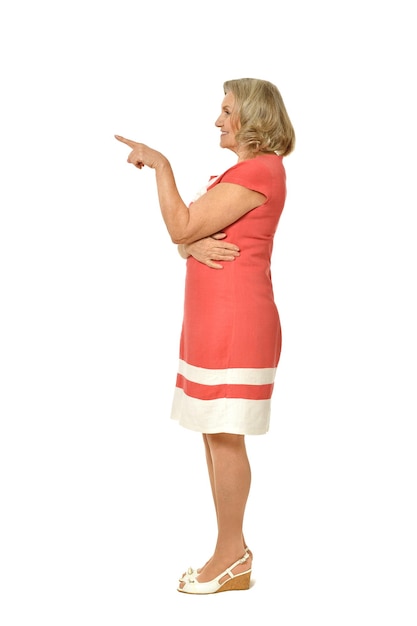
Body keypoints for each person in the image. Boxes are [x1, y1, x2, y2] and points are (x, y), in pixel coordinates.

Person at [115, 77, 295, 594]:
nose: (218, 120)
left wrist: (162, 166)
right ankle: (230, 552)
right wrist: (188, 247)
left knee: (224, 434)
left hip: (237, 324)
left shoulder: (260, 170)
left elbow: (181, 224)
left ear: (253, 119)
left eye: (226, 111)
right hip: (212, 324)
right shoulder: (242, 173)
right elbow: (190, 236)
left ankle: (231, 552)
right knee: (213, 433)